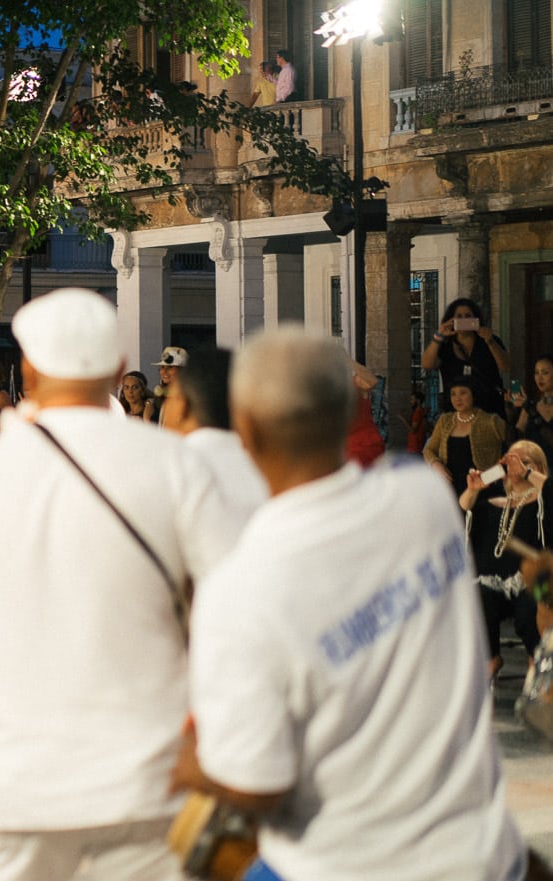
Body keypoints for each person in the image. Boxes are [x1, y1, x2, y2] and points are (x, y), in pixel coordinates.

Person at [171, 326, 528, 881]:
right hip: (480, 852)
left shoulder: (242, 586)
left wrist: (183, 764)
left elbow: (254, 786)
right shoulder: (425, 503)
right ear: (348, 413)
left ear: (244, 428)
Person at [0, 289, 237, 881]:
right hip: (151, 780)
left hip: (19, 783)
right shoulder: (176, 464)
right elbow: (229, 612)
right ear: (119, 369)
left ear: (30, 370)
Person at [461, 440, 550, 687]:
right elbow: (463, 510)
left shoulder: (544, 501)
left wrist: (529, 473)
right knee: (478, 596)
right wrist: (474, 489)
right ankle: (491, 657)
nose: (516, 466)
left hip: (534, 581)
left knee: (527, 615)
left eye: (524, 461)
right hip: (494, 579)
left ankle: (538, 657)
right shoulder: (494, 502)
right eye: (511, 460)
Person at [156, 347, 269, 519]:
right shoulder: (265, 466)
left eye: (170, 397)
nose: (164, 371)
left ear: (182, 405)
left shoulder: (173, 471)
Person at [421, 297, 511, 417]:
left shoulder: (488, 341)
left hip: (489, 410)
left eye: (468, 316)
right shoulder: (445, 345)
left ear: (476, 319)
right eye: (459, 316)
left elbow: (506, 367)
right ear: (451, 320)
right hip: (456, 411)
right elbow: (427, 365)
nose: (464, 320)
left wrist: (490, 342)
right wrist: (439, 337)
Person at [423, 378, 508, 495]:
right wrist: (435, 464)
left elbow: (514, 448)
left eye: (463, 393)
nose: (457, 398)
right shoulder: (445, 420)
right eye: (453, 394)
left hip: (484, 491)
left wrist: (492, 475)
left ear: (473, 394)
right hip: (450, 489)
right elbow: (428, 450)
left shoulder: (491, 421)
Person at [510, 354, 553, 459]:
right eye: (536, 373)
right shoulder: (531, 405)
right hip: (534, 467)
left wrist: (529, 407)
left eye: (545, 373)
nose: (539, 377)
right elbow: (515, 437)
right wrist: (512, 409)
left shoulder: (531, 406)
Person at [152, 345, 186, 425]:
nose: (164, 371)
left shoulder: (190, 397)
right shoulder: (160, 397)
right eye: (162, 367)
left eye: (170, 367)